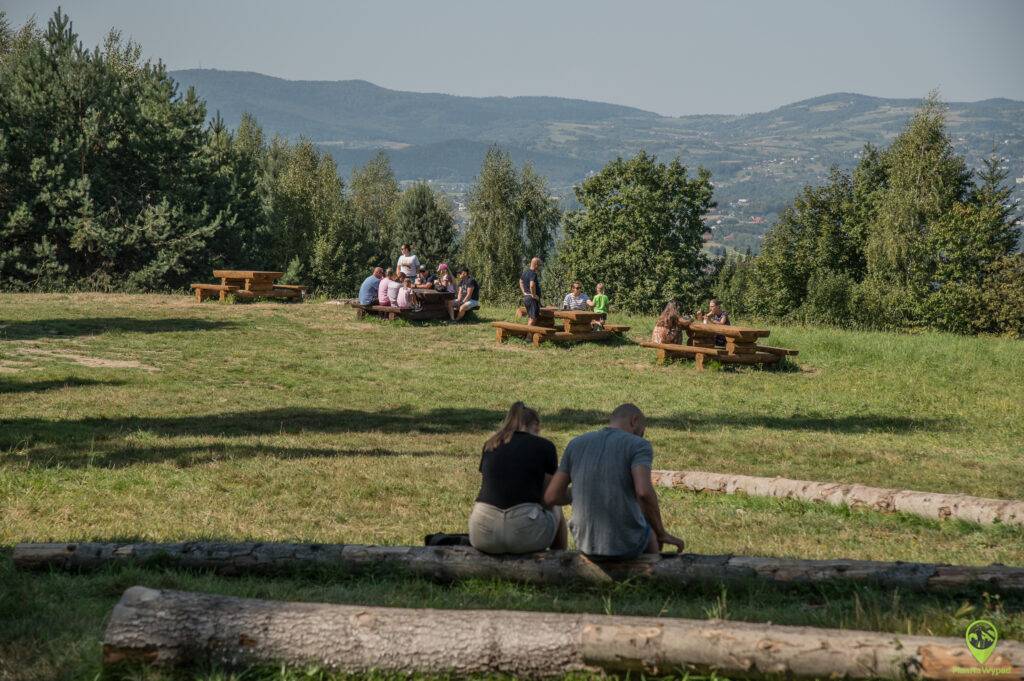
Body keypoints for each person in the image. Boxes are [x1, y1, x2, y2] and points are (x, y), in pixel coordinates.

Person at [543, 404, 684, 559]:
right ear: (634, 420)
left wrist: (583, 492)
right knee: (649, 529)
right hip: (625, 547)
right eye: (642, 430)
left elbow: (552, 496)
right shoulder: (638, 445)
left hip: (585, 544)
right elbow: (643, 492)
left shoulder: (576, 443)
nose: (642, 435)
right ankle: (649, 574)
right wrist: (661, 533)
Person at [469, 402, 568, 554]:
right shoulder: (545, 446)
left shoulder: (490, 445)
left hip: (482, 533)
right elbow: (549, 498)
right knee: (556, 506)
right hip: (523, 532)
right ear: (534, 424)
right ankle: (560, 560)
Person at [520, 256, 543, 325]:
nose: (539, 267)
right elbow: (532, 285)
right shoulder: (533, 273)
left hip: (526, 297)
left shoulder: (525, 272)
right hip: (531, 299)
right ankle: (528, 335)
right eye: (539, 265)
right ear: (535, 265)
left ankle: (528, 334)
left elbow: (520, 281)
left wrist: (524, 292)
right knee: (533, 318)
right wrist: (533, 295)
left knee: (531, 317)